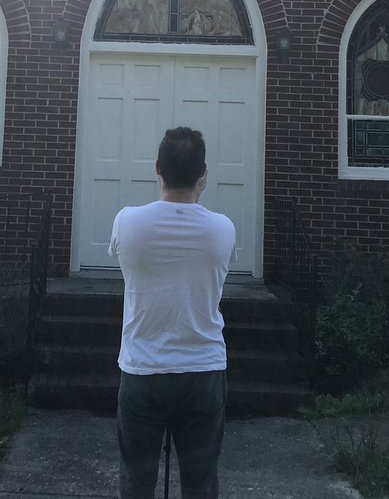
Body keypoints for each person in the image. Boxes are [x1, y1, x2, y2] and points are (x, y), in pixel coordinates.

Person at [108, 126, 237, 499]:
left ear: (158, 168)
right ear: (203, 174)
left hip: (143, 370)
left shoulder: (127, 221)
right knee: (200, 485)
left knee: (136, 483)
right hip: (203, 371)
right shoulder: (223, 229)